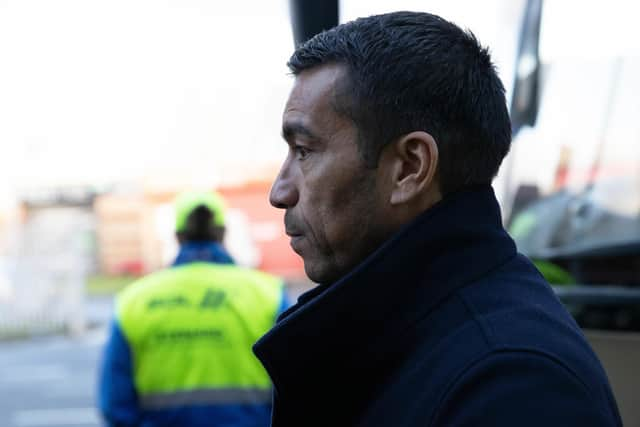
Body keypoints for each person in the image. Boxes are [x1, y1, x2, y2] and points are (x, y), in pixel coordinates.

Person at [252, 11, 622, 427]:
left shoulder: (513, 387)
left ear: (410, 168)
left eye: (304, 150)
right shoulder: (422, 340)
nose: (279, 192)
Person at [98, 190, 287, 427]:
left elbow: (115, 403)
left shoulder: (134, 300)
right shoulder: (268, 293)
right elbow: (297, 385)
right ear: (223, 233)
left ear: (177, 236)